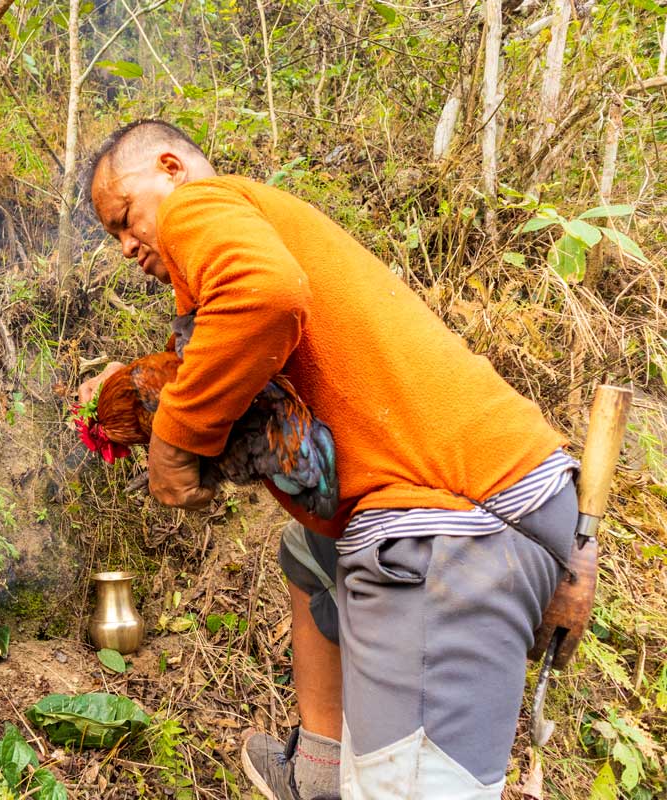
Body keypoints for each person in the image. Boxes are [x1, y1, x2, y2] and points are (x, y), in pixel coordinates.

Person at [76, 119, 579, 799]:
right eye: (114, 237)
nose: (128, 244)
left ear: (169, 167)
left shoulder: (200, 205)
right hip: (509, 495)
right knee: (310, 552)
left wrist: (174, 440)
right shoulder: (246, 231)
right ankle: (319, 768)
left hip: (450, 527)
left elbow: (267, 293)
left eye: (125, 218)